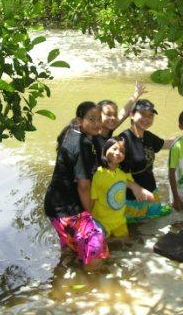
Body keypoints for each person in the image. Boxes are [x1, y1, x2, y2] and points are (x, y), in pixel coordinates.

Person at [44, 101, 108, 270]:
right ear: (80, 121)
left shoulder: (70, 132)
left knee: (71, 246)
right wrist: (90, 213)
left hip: (53, 205)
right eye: (91, 119)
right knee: (96, 236)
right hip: (66, 208)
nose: (97, 123)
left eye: (99, 119)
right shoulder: (84, 145)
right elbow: (83, 186)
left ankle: (64, 274)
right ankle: (92, 280)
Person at [119, 99, 174, 222]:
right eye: (142, 114)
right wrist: (134, 187)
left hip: (151, 192)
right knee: (136, 232)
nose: (147, 118)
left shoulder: (148, 136)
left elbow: (165, 144)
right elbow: (112, 174)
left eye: (150, 115)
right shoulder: (123, 140)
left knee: (152, 226)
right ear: (132, 115)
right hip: (132, 199)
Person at [90, 137, 154, 238]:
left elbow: (131, 185)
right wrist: (89, 219)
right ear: (105, 150)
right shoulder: (98, 174)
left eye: (122, 151)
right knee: (104, 248)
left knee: (124, 246)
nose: (118, 152)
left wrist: (143, 192)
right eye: (114, 148)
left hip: (120, 221)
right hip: (102, 221)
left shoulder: (123, 174)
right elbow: (92, 199)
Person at [94, 82, 147, 155]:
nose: (113, 118)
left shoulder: (108, 128)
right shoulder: (91, 138)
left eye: (115, 114)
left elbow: (124, 113)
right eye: (108, 114)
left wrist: (137, 93)